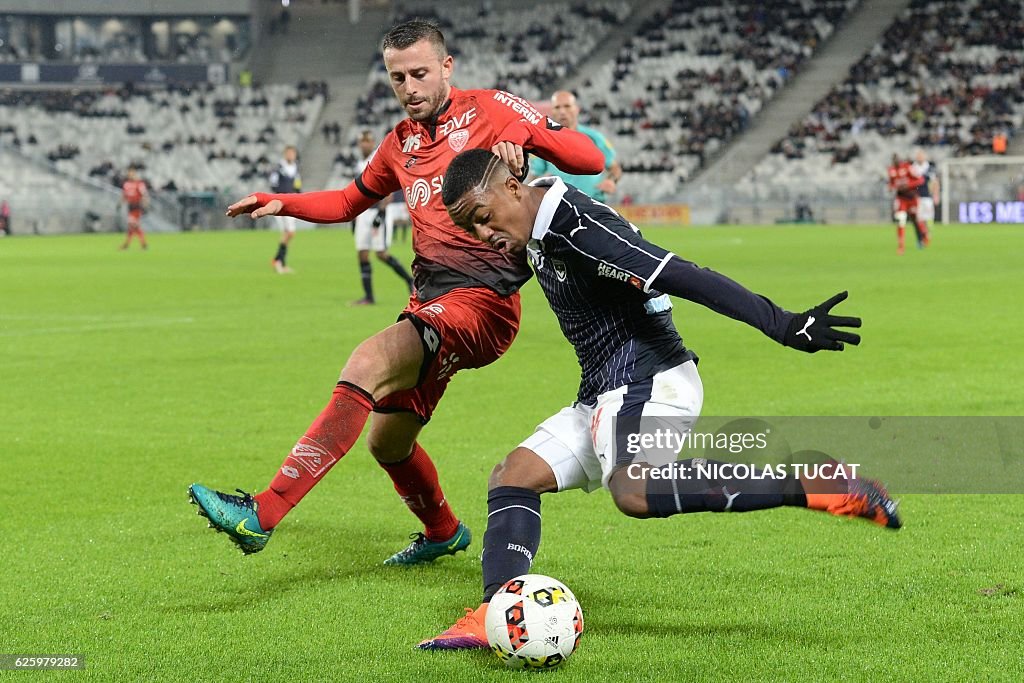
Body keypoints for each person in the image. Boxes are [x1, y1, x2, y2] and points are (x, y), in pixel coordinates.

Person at [418, 149, 898, 650]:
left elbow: (682, 274)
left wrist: (782, 324)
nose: (483, 234)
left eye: (483, 218)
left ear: (513, 190)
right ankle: (497, 614)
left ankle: (813, 482)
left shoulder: (579, 229)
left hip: (650, 379)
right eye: (471, 227)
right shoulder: (533, 220)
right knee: (513, 477)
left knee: (634, 492)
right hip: (604, 389)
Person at [189, 20, 605, 565]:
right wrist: (282, 202)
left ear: (446, 67)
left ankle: (262, 512)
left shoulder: (494, 109)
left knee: (369, 360)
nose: (409, 87)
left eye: (419, 73)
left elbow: (590, 159)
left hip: (485, 303)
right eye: (397, 78)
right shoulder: (399, 144)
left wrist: (529, 139)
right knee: (387, 442)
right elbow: (346, 202)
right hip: (431, 302)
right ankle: (443, 532)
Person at [351, 130, 414, 305]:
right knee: (362, 254)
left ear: (372, 143)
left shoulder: (376, 158)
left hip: (377, 212)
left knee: (381, 254)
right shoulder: (360, 163)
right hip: (363, 212)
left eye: (367, 141)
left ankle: (410, 280)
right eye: (362, 141)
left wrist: (381, 211)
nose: (364, 144)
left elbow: (388, 188)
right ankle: (369, 297)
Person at [528, 90, 621, 202]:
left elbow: (615, 169)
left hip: (593, 205)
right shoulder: (544, 140)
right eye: (557, 107)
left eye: (567, 106)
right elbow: (534, 176)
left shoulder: (594, 138)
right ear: (552, 111)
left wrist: (611, 181)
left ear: (577, 109)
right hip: (561, 207)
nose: (562, 111)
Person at [270, 145, 301, 274]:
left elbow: (298, 186)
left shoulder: (296, 168)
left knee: (289, 233)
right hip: (280, 203)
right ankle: (280, 262)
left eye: (292, 153)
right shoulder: (279, 169)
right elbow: (273, 184)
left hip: (291, 202)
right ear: (285, 154)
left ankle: (278, 260)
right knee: (288, 232)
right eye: (289, 153)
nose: (290, 156)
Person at [887, 154, 925, 255]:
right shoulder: (891, 170)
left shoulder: (908, 167)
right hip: (901, 199)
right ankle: (901, 246)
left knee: (916, 220)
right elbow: (891, 183)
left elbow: (920, 180)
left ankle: (922, 237)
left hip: (912, 198)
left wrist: (909, 185)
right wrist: (891, 187)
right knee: (901, 220)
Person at [911, 148, 939, 235]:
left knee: (929, 216)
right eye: (918, 156)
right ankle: (922, 234)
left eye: (921, 155)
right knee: (918, 217)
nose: (919, 157)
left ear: (925, 157)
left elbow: (935, 182)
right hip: (916, 196)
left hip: (927, 196)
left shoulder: (930, 168)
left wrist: (936, 195)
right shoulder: (912, 168)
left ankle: (929, 233)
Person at [119, 167, 148, 250]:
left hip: (137, 206)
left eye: (132, 174)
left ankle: (128, 244)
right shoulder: (126, 184)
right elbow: (124, 195)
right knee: (133, 227)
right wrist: (120, 204)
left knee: (132, 225)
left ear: (135, 174)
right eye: (129, 174)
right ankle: (141, 244)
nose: (130, 175)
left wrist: (145, 205)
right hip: (130, 207)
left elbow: (144, 195)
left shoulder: (139, 184)